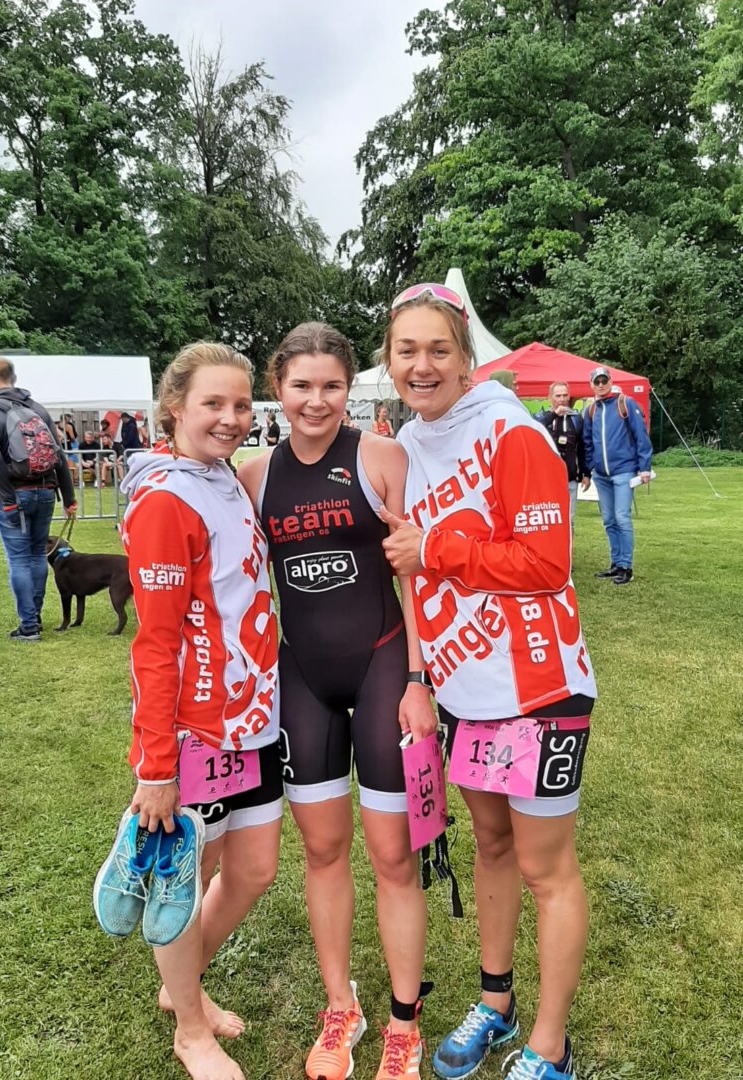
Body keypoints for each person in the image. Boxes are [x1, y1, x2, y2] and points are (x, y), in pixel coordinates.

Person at [378, 283, 597, 1080]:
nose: (423, 365)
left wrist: (435, 552)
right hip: (466, 693)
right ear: (390, 360)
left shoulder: (513, 432)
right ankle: (496, 1001)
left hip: (539, 689)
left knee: (547, 867)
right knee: (493, 847)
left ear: (468, 359)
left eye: (439, 349)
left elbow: (547, 565)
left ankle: (550, 1045)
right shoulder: (409, 442)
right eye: (408, 351)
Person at [239, 322, 435, 1080]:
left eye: (330, 386)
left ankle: (403, 1024)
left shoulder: (381, 457)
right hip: (305, 681)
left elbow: (414, 576)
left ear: (348, 388)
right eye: (300, 385)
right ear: (277, 387)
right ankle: (340, 1006)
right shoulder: (253, 476)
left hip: (386, 669)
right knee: (322, 850)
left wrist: (420, 681)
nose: (315, 400)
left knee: (392, 855)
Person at [118, 341, 283, 1080]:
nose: (230, 418)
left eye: (242, 405)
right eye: (213, 403)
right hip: (194, 733)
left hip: (254, 719)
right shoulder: (164, 498)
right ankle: (190, 1026)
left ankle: (182, 983)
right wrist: (155, 767)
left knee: (252, 869)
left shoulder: (222, 480)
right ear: (174, 406)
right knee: (189, 876)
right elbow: (153, 646)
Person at [0, 357, 76, 641]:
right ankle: (36, 616)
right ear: (14, 377)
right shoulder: (37, 408)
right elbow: (58, 454)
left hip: (16, 494)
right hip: (46, 491)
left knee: (19, 559)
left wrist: (6, 498)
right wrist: (69, 498)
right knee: (36, 556)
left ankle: (29, 625)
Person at [582, 366, 653, 585]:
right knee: (609, 520)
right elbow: (587, 441)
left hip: (623, 472)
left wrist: (644, 467)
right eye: (597, 381)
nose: (601, 385)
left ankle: (626, 566)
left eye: (604, 380)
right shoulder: (591, 409)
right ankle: (616, 564)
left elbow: (641, 436)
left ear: (610, 381)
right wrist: (590, 468)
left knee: (622, 517)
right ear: (592, 385)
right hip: (602, 475)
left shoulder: (625, 403)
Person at [538, 382, 591, 527]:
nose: (561, 399)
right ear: (550, 397)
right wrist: (554, 415)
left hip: (569, 478)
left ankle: (568, 550)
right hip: (546, 480)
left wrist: (586, 473)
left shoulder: (576, 419)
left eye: (565, 395)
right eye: (558, 396)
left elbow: (582, 447)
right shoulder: (542, 417)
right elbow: (534, 428)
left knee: (569, 521)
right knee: (548, 521)